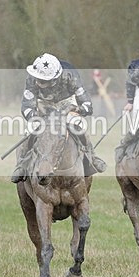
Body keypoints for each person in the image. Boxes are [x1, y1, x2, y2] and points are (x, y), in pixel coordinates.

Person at [10, 53, 107, 183]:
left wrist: (75, 109)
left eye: (42, 80)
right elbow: (27, 106)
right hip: (44, 104)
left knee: (80, 126)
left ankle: (92, 157)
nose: (38, 82)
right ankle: (22, 164)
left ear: (54, 79)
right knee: (30, 129)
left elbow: (87, 105)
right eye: (37, 78)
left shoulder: (71, 75)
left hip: (67, 103)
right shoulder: (32, 78)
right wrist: (36, 118)